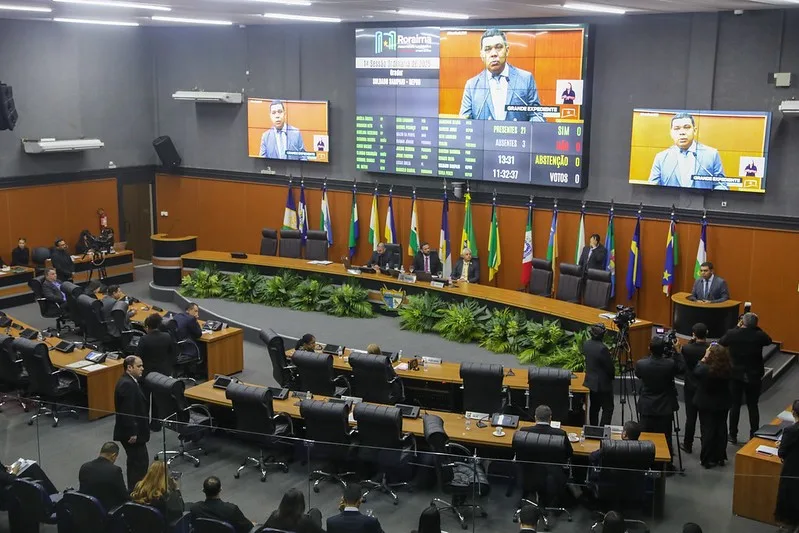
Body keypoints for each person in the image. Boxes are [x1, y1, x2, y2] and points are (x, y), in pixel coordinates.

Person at [459, 28, 544, 122]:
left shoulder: (525, 79)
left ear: (507, 50)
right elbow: (464, 122)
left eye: (498, 47)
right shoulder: (472, 85)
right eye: (487, 49)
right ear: (482, 55)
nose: (494, 54)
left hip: (517, 136)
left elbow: (537, 115)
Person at [720, 312, 772, 443]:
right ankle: (754, 434)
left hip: (735, 375)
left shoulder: (733, 333)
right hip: (753, 375)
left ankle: (732, 435)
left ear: (742, 322)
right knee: (753, 406)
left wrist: (738, 327)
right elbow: (769, 340)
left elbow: (722, 342)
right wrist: (756, 327)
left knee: (735, 405)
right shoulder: (759, 335)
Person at [634, 336, 684, 472]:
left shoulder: (641, 364)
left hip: (647, 405)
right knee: (665, 436)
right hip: (665, 406)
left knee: (645, 435)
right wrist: (678, 352)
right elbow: (682, 368)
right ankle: (666, 465)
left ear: (649, 348)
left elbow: (639, 375)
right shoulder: (670, 364)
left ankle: (646, 463)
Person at [648, 112, 727, 190]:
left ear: (695, 130)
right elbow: (652, 189)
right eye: (677, 128)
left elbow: (721, 185)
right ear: (671, 133)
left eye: (686, 127)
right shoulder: (661, 158)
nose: (682, 132)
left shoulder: (711, 154)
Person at [113, 355, 150, 492]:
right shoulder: (127, 385)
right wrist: (133, 432)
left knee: (136, 462)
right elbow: (127, 411)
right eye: (139, 366)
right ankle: (136, 493)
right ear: (129, 367)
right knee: (139, 464)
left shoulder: (129, 381)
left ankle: (135, 491)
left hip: (133, 432)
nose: (142, 368)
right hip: (132, 434)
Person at [693, 342, 732, 468]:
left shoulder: (704, 370)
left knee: (708, 431)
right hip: (723, 402)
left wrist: (705, 356)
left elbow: (696, 370)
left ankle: (706, 459)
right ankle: (720, 456)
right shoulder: (728, 367)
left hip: (706, 403)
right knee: (721, 429)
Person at [680, 323, 710, 454]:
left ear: (693, 334)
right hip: (706, 387)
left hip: (691, 388)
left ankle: (687, 444)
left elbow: (682, 365)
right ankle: (705, 446)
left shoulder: (686, 349)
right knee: (705, 420)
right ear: (707, 333)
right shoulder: (711, 349)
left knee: (690, 418)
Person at [78, 442, 130, 512]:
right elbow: (123, 496)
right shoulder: (115, 470)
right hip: (106, 512)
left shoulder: (84, 467)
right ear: (113, 455)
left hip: (86, 510)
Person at [190, 476, 254, 533]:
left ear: (203, 490)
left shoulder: (195, 508)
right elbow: (248, 528)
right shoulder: (231, 509)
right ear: (220, 489)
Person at [582, 323, 615, 426]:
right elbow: (609, 368)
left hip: (591, 382)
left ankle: (593, 429)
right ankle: (603, 430)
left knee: (594, 408)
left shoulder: (586, 344)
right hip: (603, 384)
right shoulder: (603, 349)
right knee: (608, 408)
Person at [775, 400, 799, 529]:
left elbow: (782, 453)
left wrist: (782, 444)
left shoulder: (791, 431)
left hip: (793, 471)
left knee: (790, 499)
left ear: (793, 412)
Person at [137, 313, 176, 377]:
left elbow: (138, 357)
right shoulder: (167, 336)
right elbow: (173, 353)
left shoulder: (144, 339)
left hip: (148, 373)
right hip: (165, 373)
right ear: (159, 324)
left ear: (147, 326)